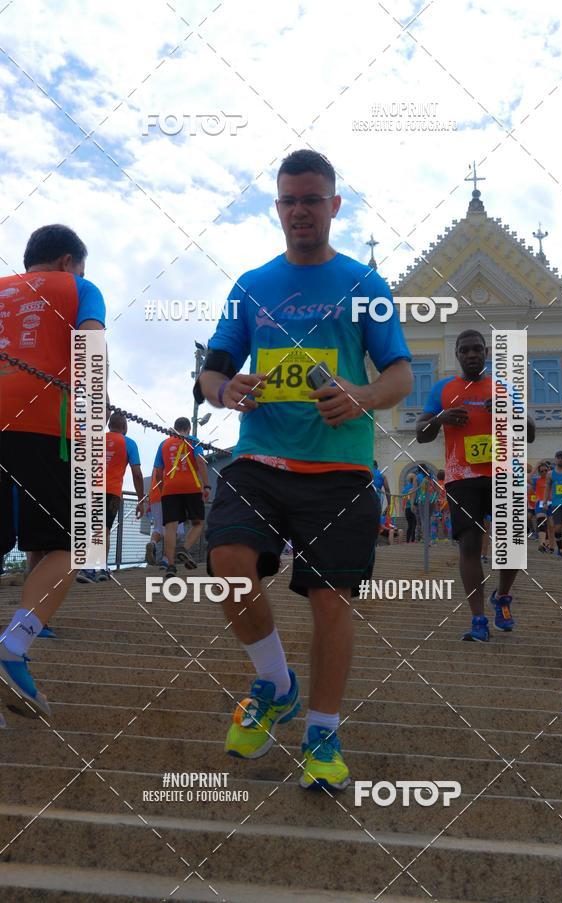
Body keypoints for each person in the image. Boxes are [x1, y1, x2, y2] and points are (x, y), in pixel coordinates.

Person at [198, 149, 412, 790]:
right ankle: (274, 680)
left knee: (329, 600)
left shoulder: (367, 287)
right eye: (289, 200)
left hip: (340, 469)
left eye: (312, 199)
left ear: (334, 206)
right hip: (260, 457)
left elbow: (399, 373)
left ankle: (321, 732)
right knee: (228, 563)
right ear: (278, 207)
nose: (300, 211)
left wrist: (361, 395)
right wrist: (223, 390)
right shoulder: (250, 286)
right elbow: (212, 368)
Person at [0, 224, 106, 717]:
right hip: (48, 426)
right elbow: (89, 347)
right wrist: (94, 409)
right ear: (68, 261)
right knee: (74, 544)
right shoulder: (79, 288)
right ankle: (13, 647)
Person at [416, 329, 535, 642]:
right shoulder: (443, 389)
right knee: (469, 545)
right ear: (457, 354)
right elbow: (421, 432)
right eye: (465, 350)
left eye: (477, 349)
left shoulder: (504, 387)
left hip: (504, 474)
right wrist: (440, 418)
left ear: (486, 352)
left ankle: (503, 597)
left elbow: (531, 431)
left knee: (512, 547)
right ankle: (478, 618)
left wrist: (509, 414)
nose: (471, 354)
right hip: (461, 477)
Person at [77, 412, 144, 583]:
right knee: (104, 529)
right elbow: (136, 473)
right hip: (112, 492)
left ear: (109, 425)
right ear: (125, 427)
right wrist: (140, 499)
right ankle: (94, 568)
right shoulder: (129, 443)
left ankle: (96, 568)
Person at [153, 417, 210, 578]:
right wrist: (206, 485)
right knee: (198, 523)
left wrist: (164, 488)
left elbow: (158, 472)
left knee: (170, 527)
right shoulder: (193, 441)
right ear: (188, 429)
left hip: (170, 489)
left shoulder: (163, 444)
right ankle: (184, 548)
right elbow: (200, 461)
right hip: (191, 487)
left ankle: (170, 566)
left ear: (175, 427)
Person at [533, 461, 553, 553]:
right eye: (541, 471)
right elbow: (527, 478)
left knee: (550, 526)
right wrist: (537, 465)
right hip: (540, 503)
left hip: (551, 504)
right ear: (539, 472)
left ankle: (548, 544)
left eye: (546, 470)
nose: (544, 472)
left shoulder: (552, 480)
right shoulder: (536, 480)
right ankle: (542, 544)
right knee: (542, 523)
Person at [402, 473, 418, 543]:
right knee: (414, 524)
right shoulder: (415, 487)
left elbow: (403, 499)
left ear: (408, 480)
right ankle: (413, 540)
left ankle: (407, 540)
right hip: (414, 507)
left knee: (409, 525)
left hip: (407, 509)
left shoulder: (404, 488)